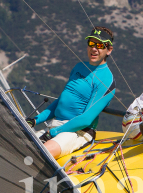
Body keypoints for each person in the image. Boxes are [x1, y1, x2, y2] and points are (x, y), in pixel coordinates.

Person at [29, 27, 116, 158]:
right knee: (20, 145)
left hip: (79, 132)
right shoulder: (79, 67)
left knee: (40, 152)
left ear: (109, 50)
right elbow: (61, 101)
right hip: (56, 127)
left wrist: (53, 133)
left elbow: (86, 119)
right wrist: (35, 121)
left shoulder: (107, 79)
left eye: (99, 45)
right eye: (91, 43)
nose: (94, 48)